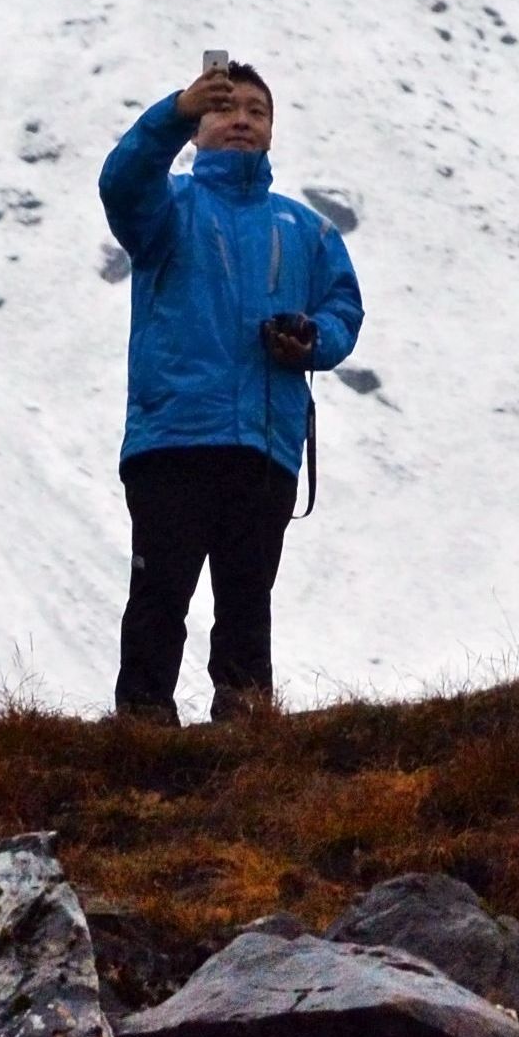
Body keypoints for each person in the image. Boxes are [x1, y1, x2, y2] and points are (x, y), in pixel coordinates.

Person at [100, 55, 364, 726]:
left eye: (257, 111)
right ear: (197, 127)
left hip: (266, 440)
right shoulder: (167, 207)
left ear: (273, 129)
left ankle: (245, 725)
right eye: (224, 109)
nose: (242, 120)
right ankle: (142, 722)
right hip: (175, 436)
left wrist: (312, 339)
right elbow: (121, 182)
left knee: (248, 598)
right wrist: (173, 112)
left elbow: (342, 309)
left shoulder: (307, 229)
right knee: (161, 590)